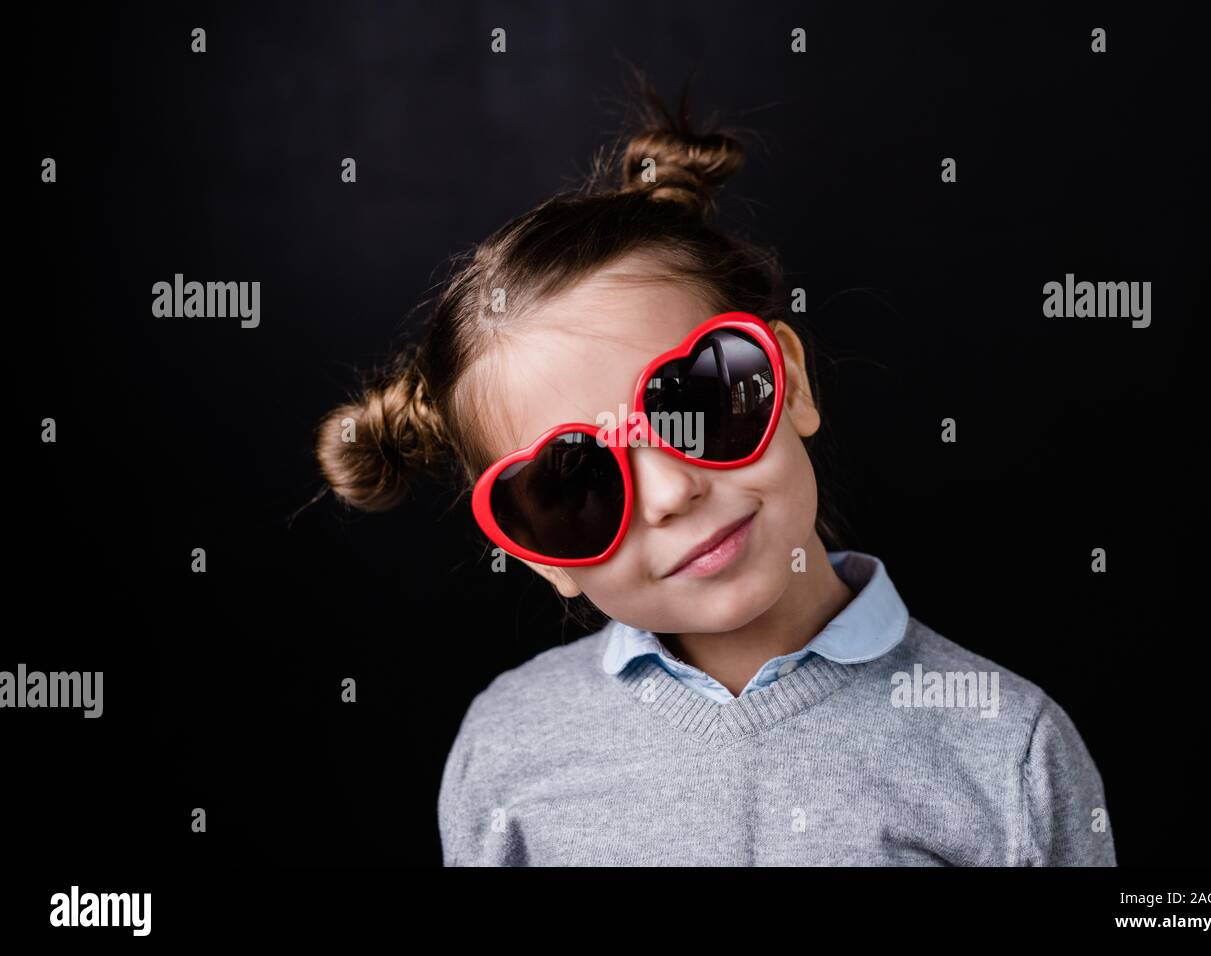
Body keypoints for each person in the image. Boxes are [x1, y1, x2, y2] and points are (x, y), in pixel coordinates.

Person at [314, 79, 1116, 867]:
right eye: (578, 485)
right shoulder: (508, 747)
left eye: (698, 401)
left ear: (789, 382)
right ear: (537, 553)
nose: (672, 492)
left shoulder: (1005, 745)